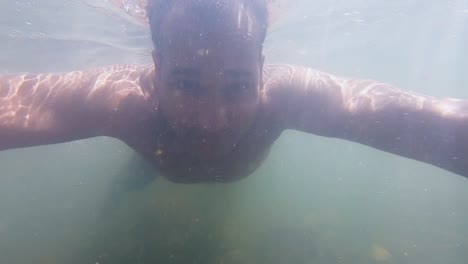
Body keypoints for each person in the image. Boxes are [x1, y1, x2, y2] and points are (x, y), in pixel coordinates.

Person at [0, 0, 466, 184]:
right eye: (186, 84)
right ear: (156, 68)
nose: (212, 119)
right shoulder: (121, 101)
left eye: (239, 85)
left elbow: (430, 123)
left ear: (262, 71)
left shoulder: (286, 94)